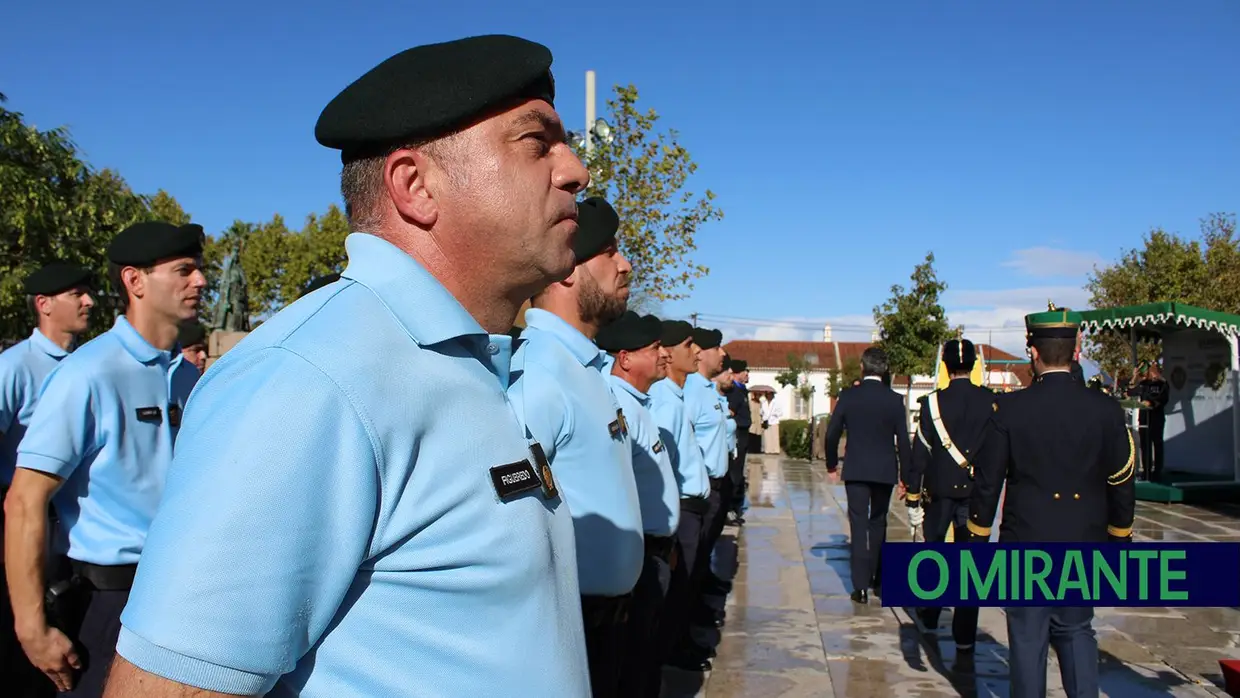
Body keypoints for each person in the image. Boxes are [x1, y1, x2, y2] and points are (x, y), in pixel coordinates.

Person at [103, 35, 592, 698]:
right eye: (537, 143)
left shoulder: (473, 358)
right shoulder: (309, 377)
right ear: (416, 186)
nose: (575, 172)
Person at [5, 222, 205, 698]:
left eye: (199, 270)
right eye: (183, 270)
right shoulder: (88, 374)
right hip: (108, 603)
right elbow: (25, 500)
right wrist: (32, 627)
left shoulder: (187, 378)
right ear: (135, 281)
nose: (199, 281)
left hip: (181, 595)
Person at [508, 196, 641, 698]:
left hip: (608, 619)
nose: (625, 264)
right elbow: (512, 499)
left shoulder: (584, 369)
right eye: (608, 252)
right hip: (573, 627)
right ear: (566, 270)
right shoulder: (540, 374)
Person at [969, 306, 1136, 698]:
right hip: (1084, 542)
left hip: (1025, 541)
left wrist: (977, 539)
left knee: (1027, 640)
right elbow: (1122, 480)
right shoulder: (1106, 410)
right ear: (1077, 349)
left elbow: (988, 484)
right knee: (1077, 632)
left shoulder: (1008, 410)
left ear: (1032, 351)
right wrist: (1120, 540)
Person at [0, 262, 95, 698]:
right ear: (44, 304)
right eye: (76, 294)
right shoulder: (14, 366)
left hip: (71, 527)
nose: (88, 301)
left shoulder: (85, 366)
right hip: (23, 518)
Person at [597, 311, 679, 698]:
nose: (664, 354)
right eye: (654, 348)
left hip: (653, 552)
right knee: (633, 667)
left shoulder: (638, 405)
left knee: (644, 658)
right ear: (625, 358)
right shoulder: (621, 408)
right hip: (640, 554)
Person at [905, 338, 995, 662]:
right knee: (971, 566)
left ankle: (930, 615)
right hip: (976, 494)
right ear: (973, 366)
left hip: (939, 492)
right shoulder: (991, 402)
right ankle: (965, 637)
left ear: (944, 365)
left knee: (934, 553)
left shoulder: (931, 403)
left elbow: (920, 456)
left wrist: (913, 498)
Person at [824, 347, 913, 604]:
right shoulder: (895, 400)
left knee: (858, 524)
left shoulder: (849, 397)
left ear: (862, 368)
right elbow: (903, 443)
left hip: (857, 469)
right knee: (879, 523)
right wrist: (906, 478)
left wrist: (832, 464)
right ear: (884, 370)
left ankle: (860, 587)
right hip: (885, 470)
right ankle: (879, 581)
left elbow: (831, 434)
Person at [648, 320, 713, 672]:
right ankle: (672, 650)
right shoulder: (663, 401)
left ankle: (679, 642)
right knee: (677, 590)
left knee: (686, 586)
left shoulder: (675, 396)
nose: (697, 351)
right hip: (682, 507)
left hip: (692, 505)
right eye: (689, 345)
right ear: (669, 353)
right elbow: (662, 467)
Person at [684, 327, 732, 621]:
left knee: (701, 556)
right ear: (701, 352)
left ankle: (696, 604)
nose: (723, 353)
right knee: (692, 561)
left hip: (714, 482)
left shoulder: (705, 389)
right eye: (717, 347)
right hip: (700, 486)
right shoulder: (690, 390)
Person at [724, 359, 752, 522]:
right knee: (734, 471)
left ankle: (735, 505)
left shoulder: (742, 390)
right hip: (737, 433)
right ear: (735, 373)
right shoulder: (734, 391)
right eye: (744, 371)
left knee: (739, 471)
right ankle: (730, 508)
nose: (747, 374)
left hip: (743, 432)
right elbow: (730, 412)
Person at [1134, 361, 1169, 482]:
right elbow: (1129, 392)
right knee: (1145, 446)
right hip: (1144, 419)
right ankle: (1146, 472)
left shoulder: (1161, 384)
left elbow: (1163, 398)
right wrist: (1135, 376)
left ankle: (1157, 472)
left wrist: (1152, 403)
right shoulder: (1142, 384)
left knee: (1157, 445)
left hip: (1156, 418)